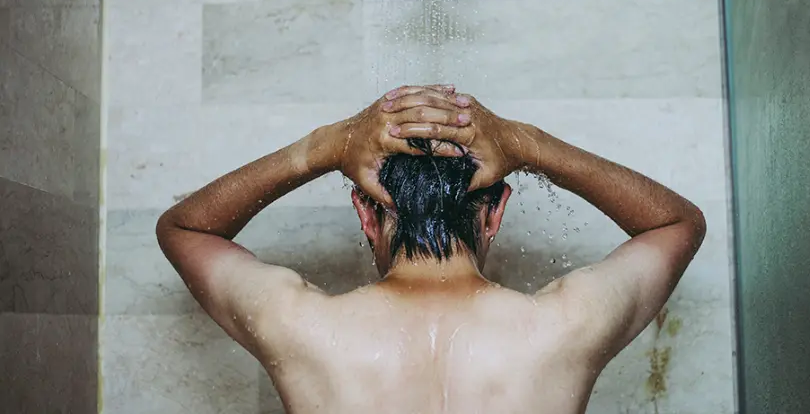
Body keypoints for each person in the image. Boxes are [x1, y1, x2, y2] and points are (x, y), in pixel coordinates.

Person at [157, 84, 706, 414]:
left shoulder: (299, 324)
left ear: (366, 214)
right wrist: (524, 144)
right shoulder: (565, 324)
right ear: (494, 214)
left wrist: (326, 147)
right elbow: (677, 223)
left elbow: (185, 230)